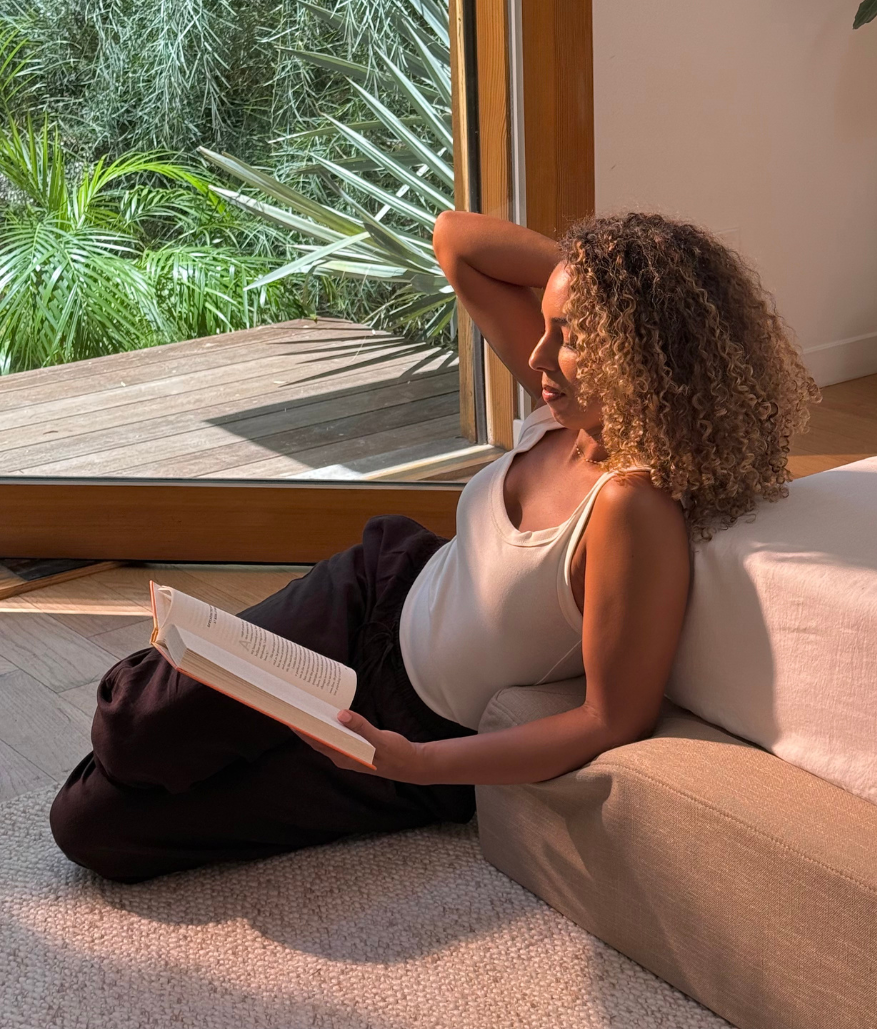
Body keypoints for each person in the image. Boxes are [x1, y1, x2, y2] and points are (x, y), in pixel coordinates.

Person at [50, 210, 816, 881]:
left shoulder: (630, 506)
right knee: (131, 727)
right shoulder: (566, 409)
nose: (540, 357)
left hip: (418, 732)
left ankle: (211, 739)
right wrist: (604, 281)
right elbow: (457, 241)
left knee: (90, 828)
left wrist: (412, 763)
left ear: (642, 352)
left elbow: (609, 720)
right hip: (372, 594)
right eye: (547, 326)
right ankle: (198, 724)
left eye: (573, 338)